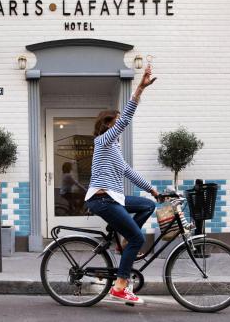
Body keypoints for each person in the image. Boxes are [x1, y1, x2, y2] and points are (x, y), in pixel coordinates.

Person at [84, 64, 159, 305]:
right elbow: (126, 117)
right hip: (102, 199)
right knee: (139, 239)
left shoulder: (114, 148)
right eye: (116, 123)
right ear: (108, 125)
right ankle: (120, 286)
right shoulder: (103, 140)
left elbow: (126, 170)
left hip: (115, 197)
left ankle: (125, 241)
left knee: (148, 205)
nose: (120, 127)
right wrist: (140, 88)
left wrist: (151, 189)